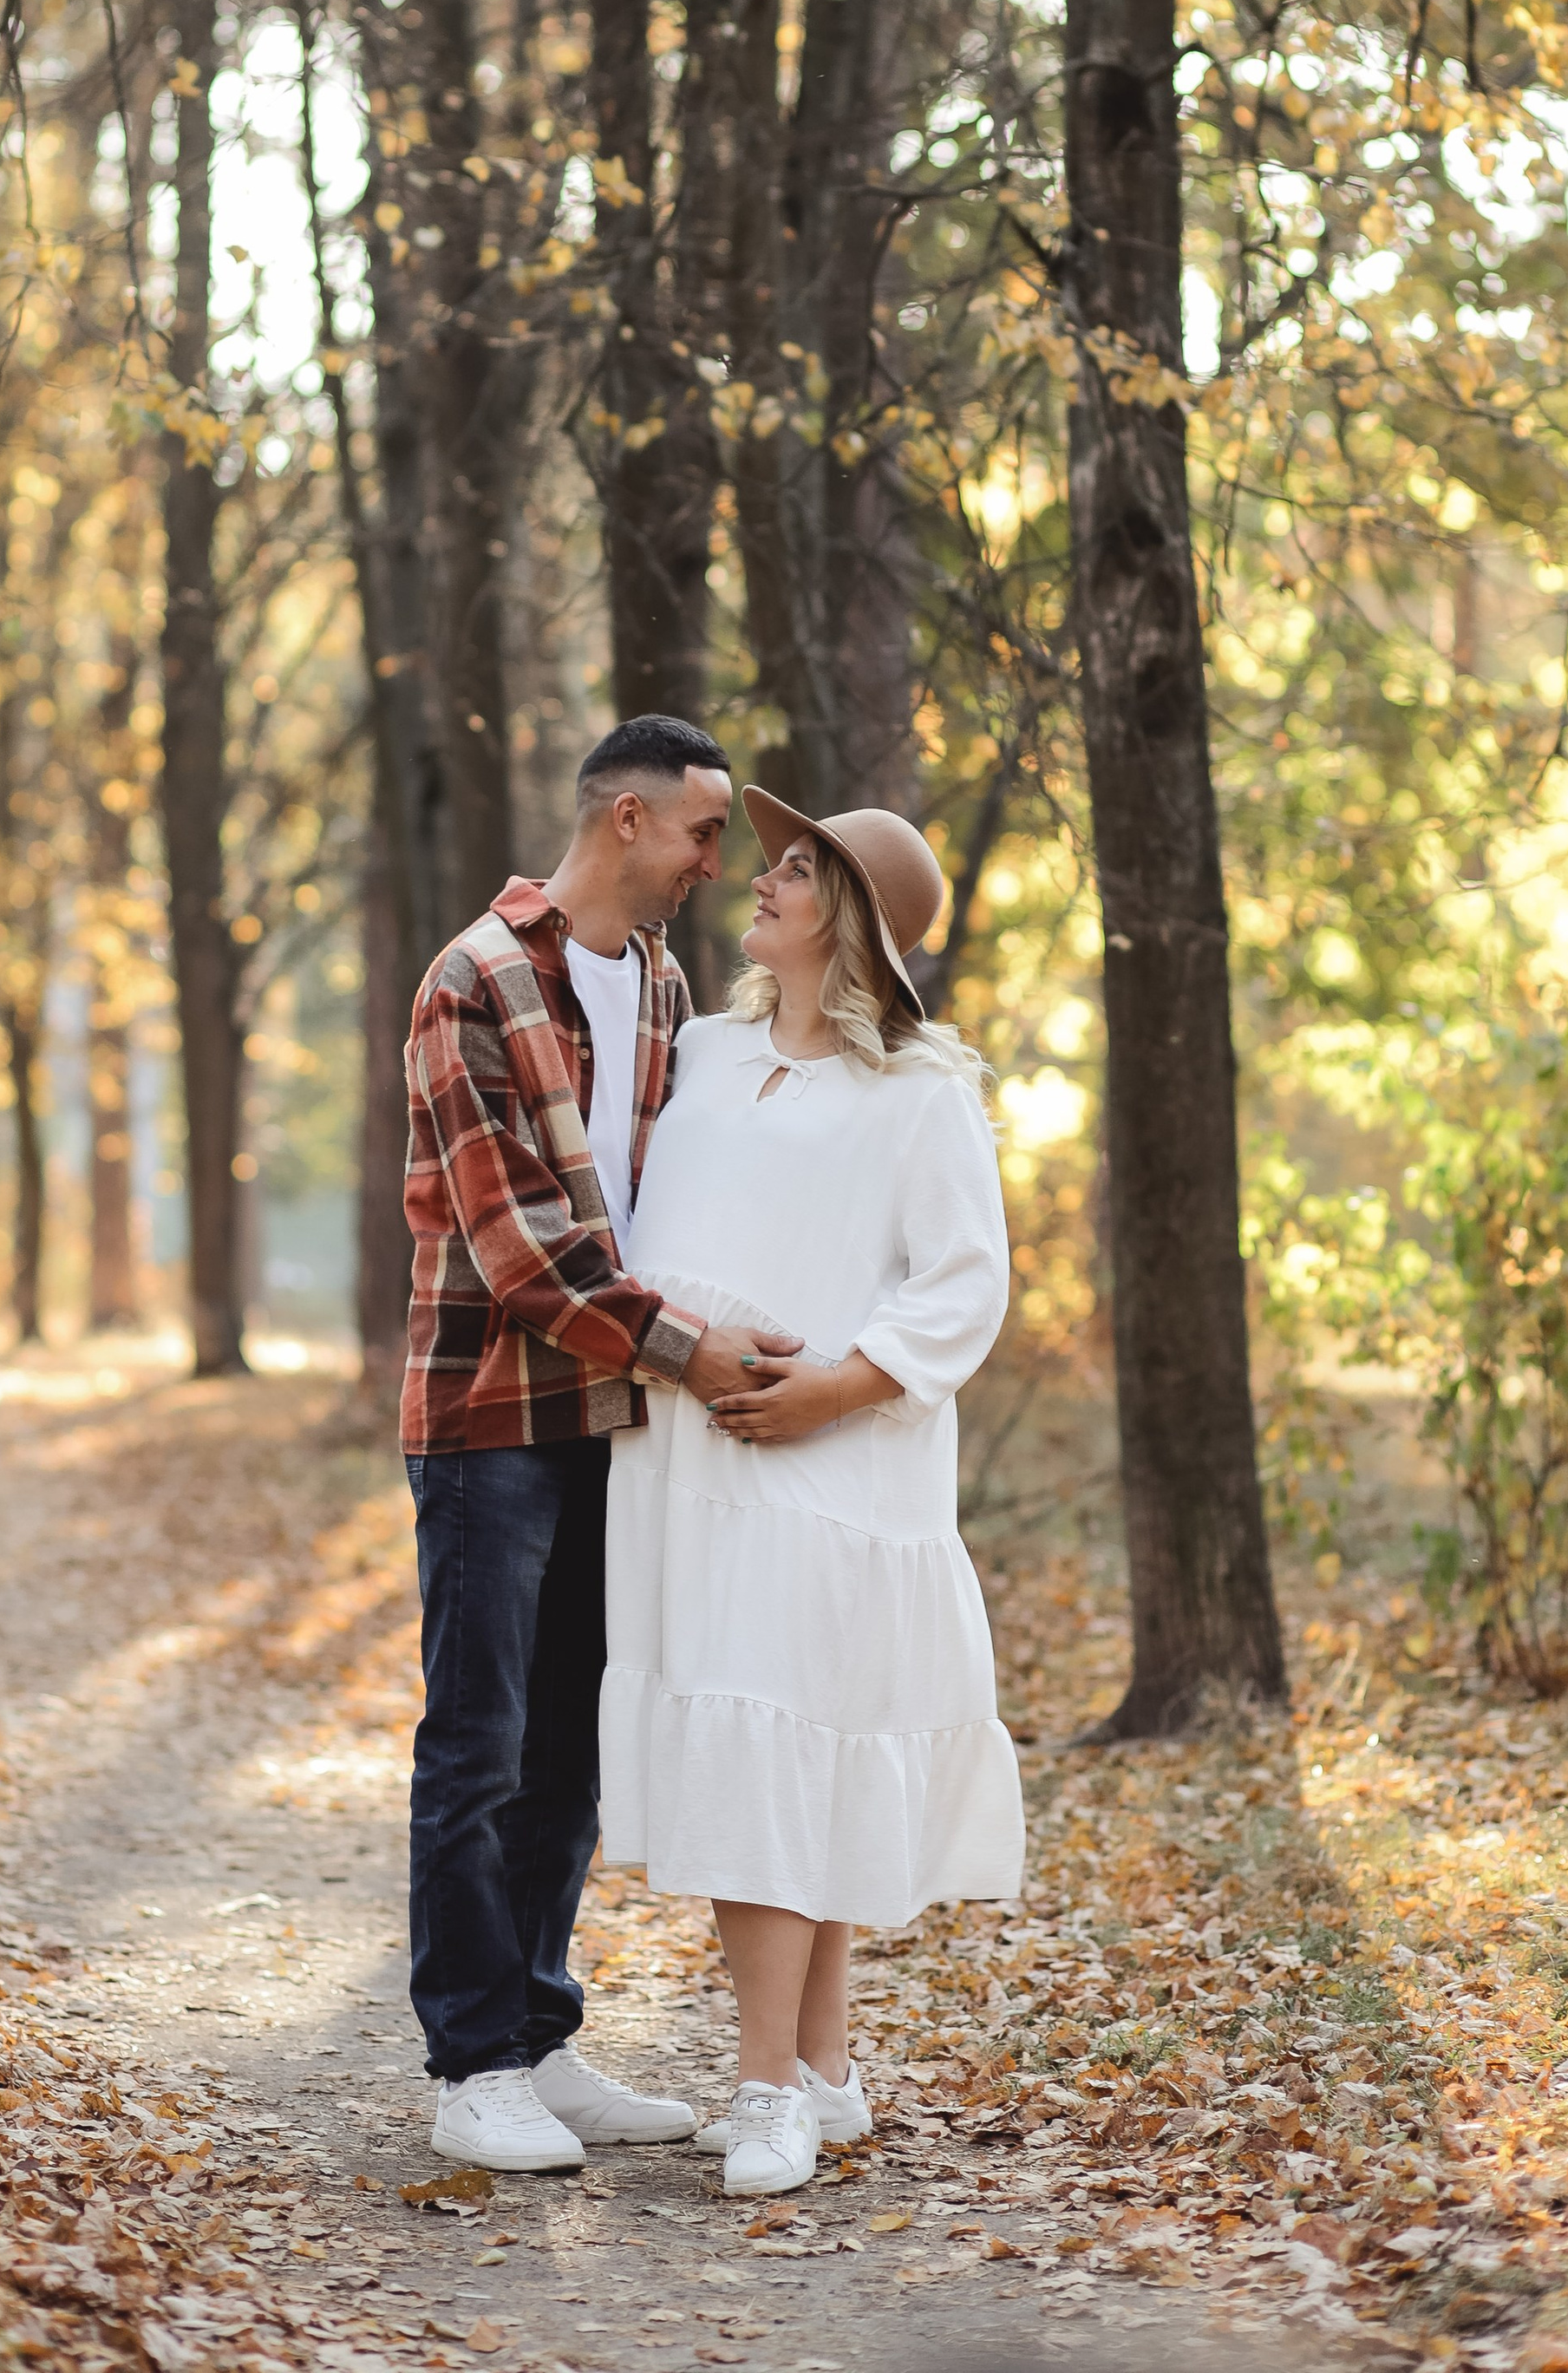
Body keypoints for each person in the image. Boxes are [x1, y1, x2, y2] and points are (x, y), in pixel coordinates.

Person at [598, 787, 1025, 2199]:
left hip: (831, 1463)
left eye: (798, 871)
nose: (764, 882)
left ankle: (767, 2086)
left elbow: (965, 1287)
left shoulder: (920, 1092)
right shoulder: (706, 1054)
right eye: (773, 862)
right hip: (693, 1458)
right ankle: (826, 2073)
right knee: (783, 1752)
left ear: (853, 921)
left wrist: (834, 1389)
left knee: (783, 1753)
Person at [399, 715, 802, 2175]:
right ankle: (469, 2063)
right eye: (703, 832)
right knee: (480, 1742)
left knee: (571, 1748)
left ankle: (540, 2040)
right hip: (493, 1420)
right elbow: (522, 1259)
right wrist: (696, 1352)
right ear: (625, 819)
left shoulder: (667, 982)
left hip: (614, 1422)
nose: (718, 861)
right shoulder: (476, 982)